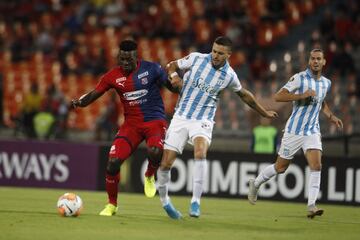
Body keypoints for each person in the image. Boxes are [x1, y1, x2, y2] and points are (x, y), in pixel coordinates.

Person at [158, 36, 278, 219]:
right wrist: (174, 76)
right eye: (214, 51)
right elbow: (171, 65)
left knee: (200, 152)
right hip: (181, 117)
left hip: (203, 120)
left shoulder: (229, 76)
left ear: (228, 55)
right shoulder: (196, 58)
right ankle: (165, 202)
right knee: (166, 163)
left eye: (220, 53)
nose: (215, 55)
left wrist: (264, 112)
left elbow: (244, 95)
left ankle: (195, 202)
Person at [71, 39, 177, 216]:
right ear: (118, 57)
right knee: (113, 162)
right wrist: (80, 103)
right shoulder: (112, 76)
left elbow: (172, 88)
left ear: (137, 57)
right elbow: (94, 93)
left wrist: (179, 82)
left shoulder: (152, 69)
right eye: (122, 59)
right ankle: (112, 205)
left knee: (155, 151)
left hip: (154, 121)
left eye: (129, 59)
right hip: (131, 125)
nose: (125, 62)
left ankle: (150, 175)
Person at [247, 49, 343, 219]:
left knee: (317, 166)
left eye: (318, 59)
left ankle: (312, 206)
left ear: (324, 62)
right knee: (280, 168)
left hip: (312, 130)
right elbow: (278, 96)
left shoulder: (326, 83)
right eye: (312, 58)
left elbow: (322, 102)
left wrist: (331, 116)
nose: (315, 61)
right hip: (294, 131)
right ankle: (256, 183)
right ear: (309, 61)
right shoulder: (300, 78)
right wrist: (302, 95)